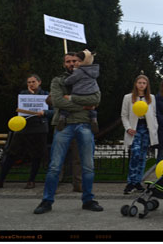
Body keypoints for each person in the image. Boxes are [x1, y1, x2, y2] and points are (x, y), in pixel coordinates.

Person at [33, 52, 102, 214]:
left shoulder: (90, 77)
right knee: (55, 166)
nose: (72, 63)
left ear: (80, 62)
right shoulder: (58, 80)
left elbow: (96, 100)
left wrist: (70, 99)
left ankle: (88, 200)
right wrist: (83, 106)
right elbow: (57, 101)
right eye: (68, 61)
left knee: (88, 166)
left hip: (85, 124)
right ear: (64, 64)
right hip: (64, 126)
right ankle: (47, 201)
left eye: (75, 60)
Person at [0, 74, 49, 189]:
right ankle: (0, 180)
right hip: (23, 127)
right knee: (11, 153)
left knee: (36, 155)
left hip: (39, 128)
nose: (31, 84)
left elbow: (52, 110)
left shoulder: (46, 95)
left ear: (39, 82)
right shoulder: (23, 94)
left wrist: (44, 113)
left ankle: (31, 180)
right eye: (29, 82)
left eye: (33, 82)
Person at [121, 75, 159, 194]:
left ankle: (138, 181)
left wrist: (154, 128)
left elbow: (153, 114)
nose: (141, 85)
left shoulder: (151, 98)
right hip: (135, 128)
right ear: (136, 84)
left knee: (142, 156)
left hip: (146, 129)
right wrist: (128, 128)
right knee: (135, 154)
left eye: (144, 83)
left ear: (147, 85)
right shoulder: (128, 98)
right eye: (139, 83)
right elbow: (124, 115)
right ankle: (130, 181)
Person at [60, 50, 99, 134]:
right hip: (92, 91)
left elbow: (70, 80)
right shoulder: (93, 71)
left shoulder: (80, 71)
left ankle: (62, 117)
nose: (74, 63)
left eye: (77, 61)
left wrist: (65, 82)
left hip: (79, 92)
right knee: (92, 108)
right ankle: (94, 119)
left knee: (65, 107)